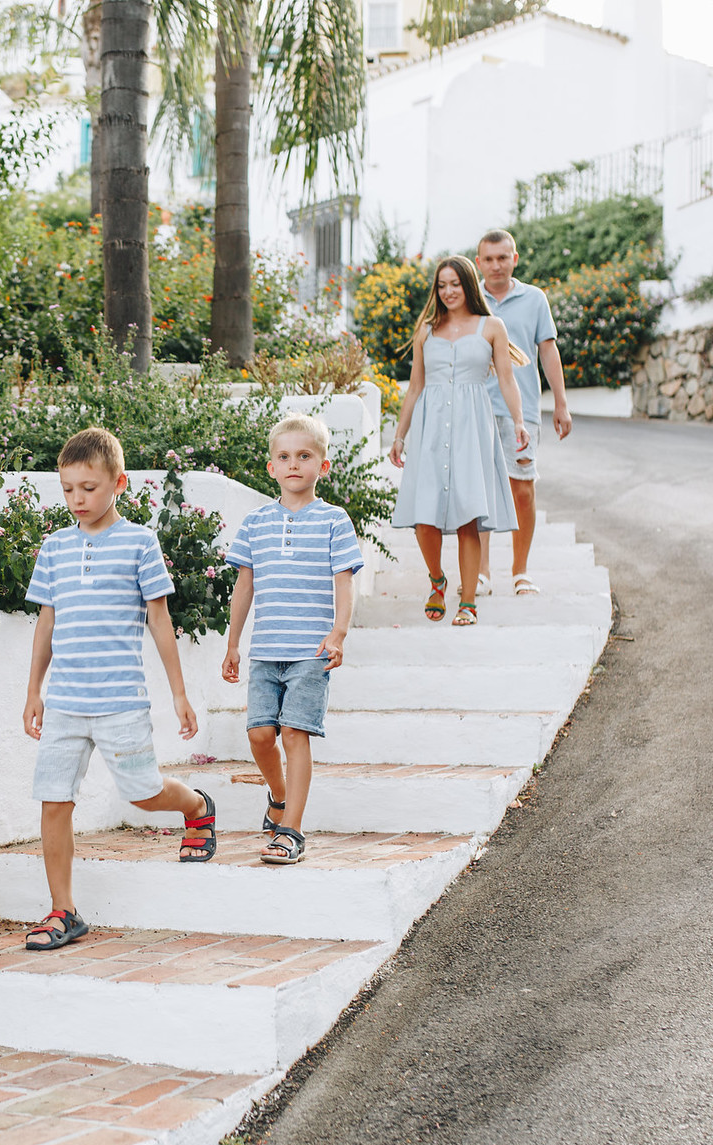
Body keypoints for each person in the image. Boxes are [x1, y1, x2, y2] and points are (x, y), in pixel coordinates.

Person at [21, 427, 217, 951]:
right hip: (64, 702)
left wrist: (178, 693)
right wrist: (34, 690)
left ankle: (196, 807)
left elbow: (159, 619)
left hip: (119, 701)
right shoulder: (55, 547)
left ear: (118, 483)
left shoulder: (138, 542)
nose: (76, 500)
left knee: (143, 794)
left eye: (87, 488)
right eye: (67, 490)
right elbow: (46, 622)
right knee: (53, 799)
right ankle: (63, 910)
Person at [220, 413, 364, 866]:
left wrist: (338, 632)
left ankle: (291, 832)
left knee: (293, 732)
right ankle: (279, 798)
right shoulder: (256, 523)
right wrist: (232, 644)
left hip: (311, 651)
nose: (294, 464)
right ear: (271, 468)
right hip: (266, 651)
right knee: (262, 734)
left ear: (322, 466)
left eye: (304, 456)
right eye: (284, 457)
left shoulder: (334, 521)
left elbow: (344, 580)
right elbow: (245, 585)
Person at [387, 255, 528, 627]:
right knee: (424, 519)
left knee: (469, 518)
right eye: (442, 285)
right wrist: (399, 436)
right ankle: (437, 579)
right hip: (430, 429)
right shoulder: (426, 331)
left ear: (468, 284)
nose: (448, 291)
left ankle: (468, 602)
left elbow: (507, 380)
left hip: (472, 429)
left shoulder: (491, 326)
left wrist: (518, 421)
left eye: (455, 283)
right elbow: (415, 386)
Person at [474, 229, 573, 597]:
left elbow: (548, 351)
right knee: (479, 491)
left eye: (503, 257)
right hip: (476, 409)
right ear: (479, 262)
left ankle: (520, 571)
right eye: (489, 258)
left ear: (514, 259)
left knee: (523, 491)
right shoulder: (469, 298)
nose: (496, 265)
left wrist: (559, 403)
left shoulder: (534, 299)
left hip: (523, 411)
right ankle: (481, 571)